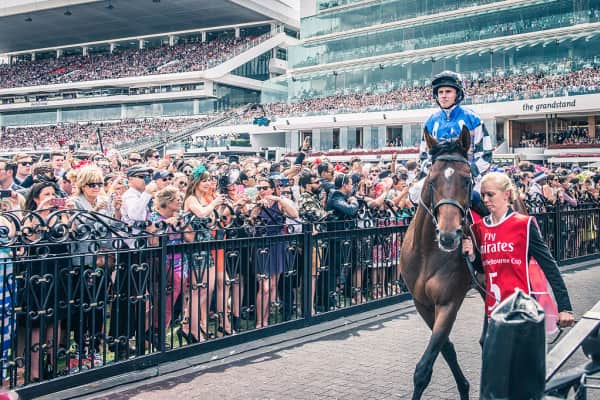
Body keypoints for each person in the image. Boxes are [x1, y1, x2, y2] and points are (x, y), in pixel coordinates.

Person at [462, 172, 575, 330]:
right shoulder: (479, 228)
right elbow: (484, 269)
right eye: (482, 195)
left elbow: (550, 267)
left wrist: (565, 308)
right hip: (494, 312)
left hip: (523, 311)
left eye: (490, 194)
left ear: (506, 194)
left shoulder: (524, 225)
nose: (485, 200)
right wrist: (473, 256)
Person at [411, 71, 492, 213]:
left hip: (468, 175)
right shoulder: (430, 122)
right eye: (440, 92)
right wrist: (435, 173)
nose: (443, 95)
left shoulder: (473, 119)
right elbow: (424, 156)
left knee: (481, 199)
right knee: (414, 193)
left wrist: (470, 173)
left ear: (457, 94)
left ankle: (490, 225)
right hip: (439, 175)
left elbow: (485, 154)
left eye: (448, 91)